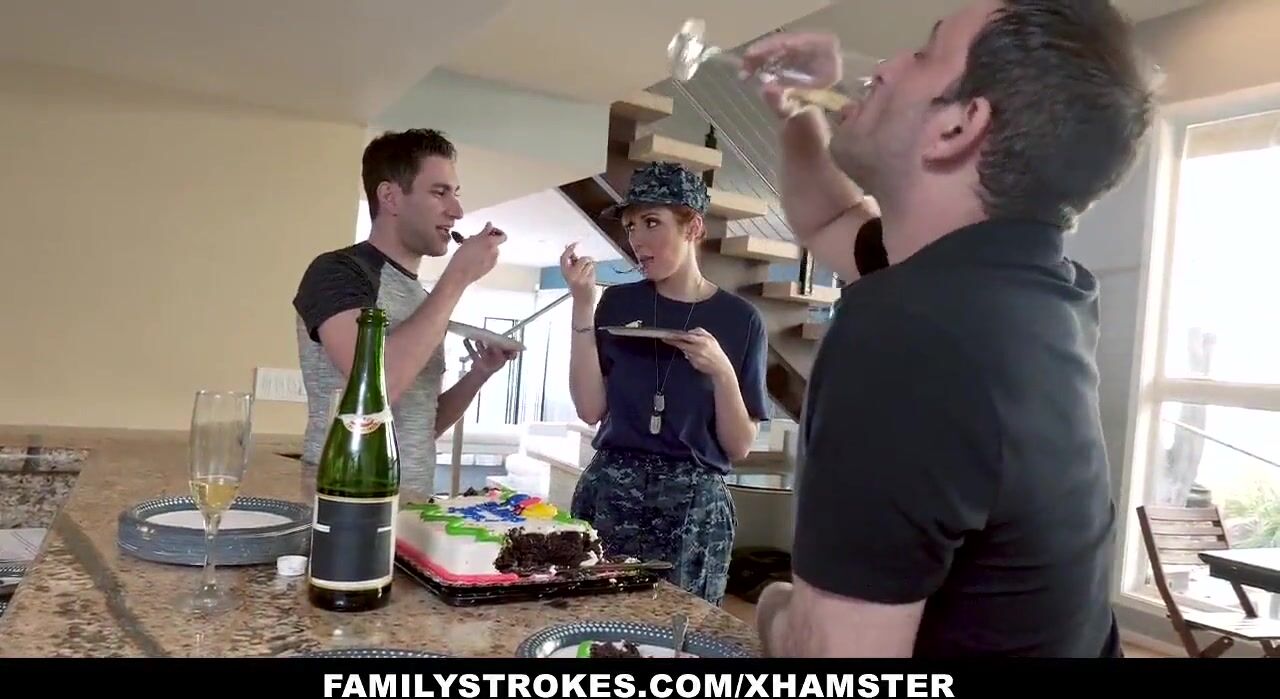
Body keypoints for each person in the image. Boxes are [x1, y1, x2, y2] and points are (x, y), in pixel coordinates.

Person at [747, 0, 1155, 656]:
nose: (887, 64)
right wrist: (795, 112)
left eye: (925, 53)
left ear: (960, 125)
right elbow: (828, 222)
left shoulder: (906, 333)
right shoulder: (1034, 288)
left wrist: (771, 609)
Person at [560, 162, 770, 606]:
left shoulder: (740, 320)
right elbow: (589, 408)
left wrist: (722, 371)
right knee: (592, 623)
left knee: (679, 634)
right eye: (631, 226)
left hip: (693, 508)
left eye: (652, 223)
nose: (636, 239)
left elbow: (739, 446)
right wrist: (582, 306)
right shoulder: (617, 303)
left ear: (693, 227)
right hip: (611, 492)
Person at [292, 128, 516, 495]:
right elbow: (380, 386)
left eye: (455, 194)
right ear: (390, 197)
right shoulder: (337, 272)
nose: (457, 211)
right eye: (439, 192)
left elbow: (421, 425)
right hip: (346, 499)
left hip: (413, 504)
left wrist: (478, 375)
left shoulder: (423, 299)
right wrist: (458, 277)